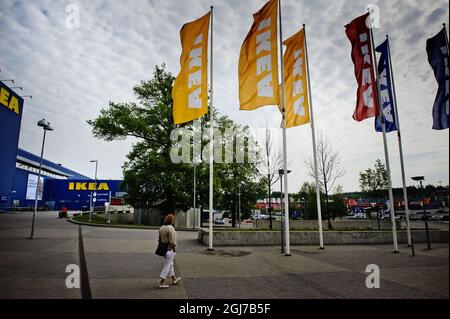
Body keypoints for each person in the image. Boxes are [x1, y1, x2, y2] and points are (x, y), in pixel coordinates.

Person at [158, 213, 181, 289]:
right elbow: (172, 241)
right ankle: (162, 281)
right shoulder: (170, 228)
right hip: (170, 249)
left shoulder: (162, 228)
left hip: (163, 249)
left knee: (170, 264)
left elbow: (160, 240)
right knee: (167, 266)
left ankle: (174, 278)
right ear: (172, 221)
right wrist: (174, 249)